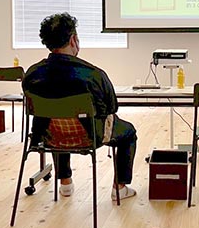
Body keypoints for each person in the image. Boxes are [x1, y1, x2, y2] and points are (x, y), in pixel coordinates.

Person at [22, 13, 137, 200]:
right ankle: (120, 188)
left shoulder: (32, 74)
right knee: (128, 132)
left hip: (49, 136)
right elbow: (111, 108)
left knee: (56, 122)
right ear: (73, 40)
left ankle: (65, 183)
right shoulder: (93, 74)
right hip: (91, 136)